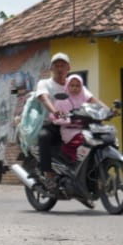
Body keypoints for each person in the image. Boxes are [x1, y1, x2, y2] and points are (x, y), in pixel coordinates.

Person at [33, 53, 75, 184]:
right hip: (51, 124)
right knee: (44, 136)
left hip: (71, 124)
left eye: (63, 65)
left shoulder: (73, 84)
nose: (60, 68)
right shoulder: (44, 83)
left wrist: (103, 109)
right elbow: (44, 98)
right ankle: (48, 174)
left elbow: (86, 98)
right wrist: (55, 111)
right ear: (51, 69)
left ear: (69, 68)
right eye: (56, 65)